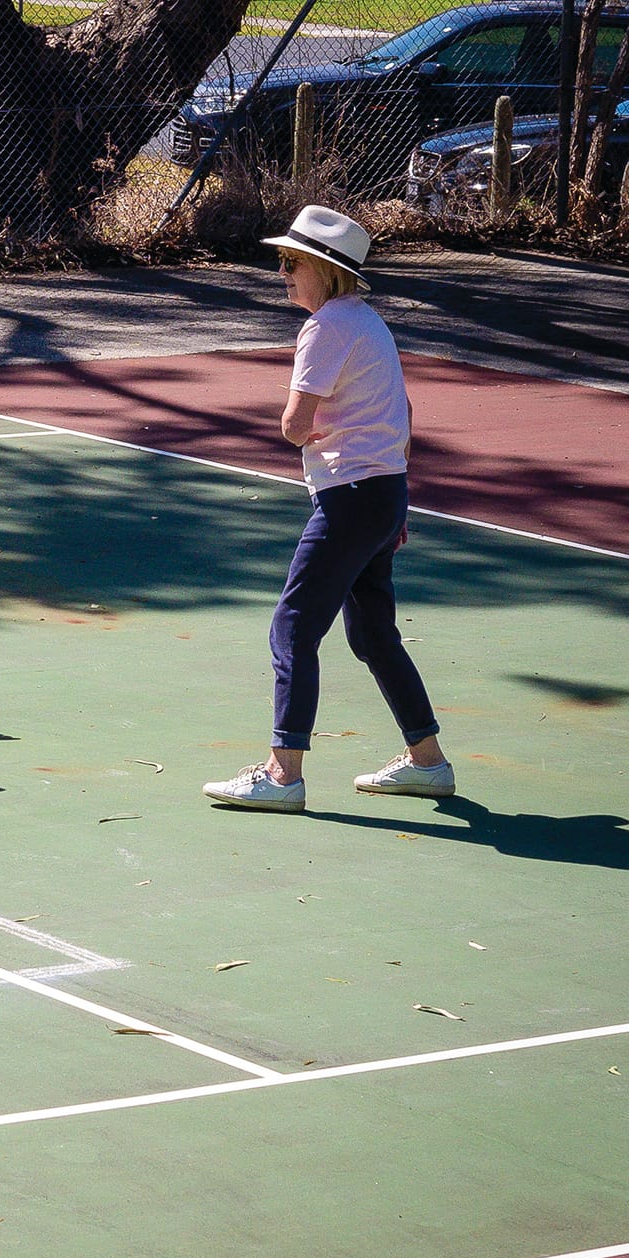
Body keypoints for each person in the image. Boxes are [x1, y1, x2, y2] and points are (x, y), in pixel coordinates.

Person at [203, 205, 455, 813]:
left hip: (351, 498)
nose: (284, 272)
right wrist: (396, 505)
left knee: (293, 626)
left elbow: (294, 424)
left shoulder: (324, 329)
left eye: (293, 263)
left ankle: (282, 774)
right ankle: (428, 763)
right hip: (382, 494)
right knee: (371, 632)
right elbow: (405, 412)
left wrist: (298, 431)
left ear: (324, 268)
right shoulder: (369, 323)